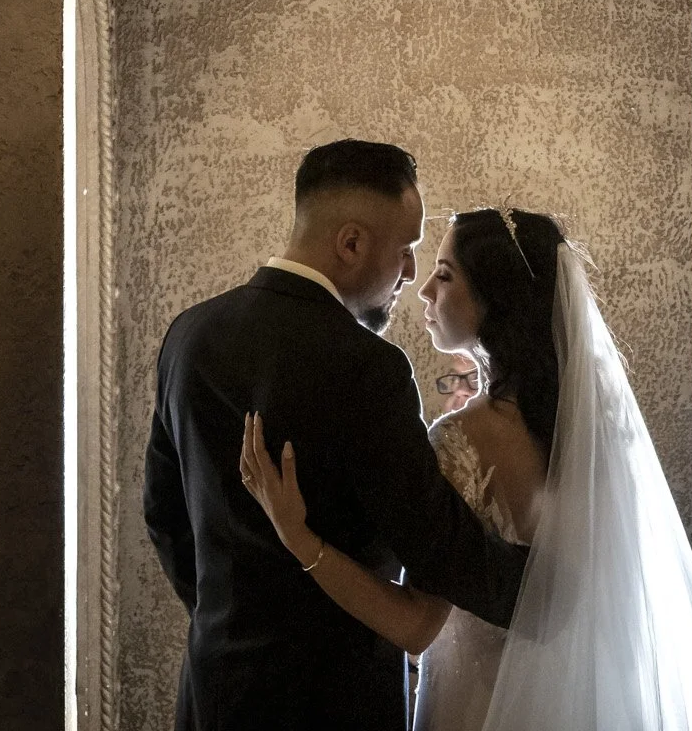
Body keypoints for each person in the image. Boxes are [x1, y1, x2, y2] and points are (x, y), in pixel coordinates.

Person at [242, 205, 692, 731]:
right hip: (587, 701)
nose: (423, 291)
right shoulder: (599, 430)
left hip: (480, 705)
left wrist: (300, 539)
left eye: (443, 276)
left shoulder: (462, 439)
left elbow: (417, 623)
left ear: (494, 298)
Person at [142, 141, 528, 731]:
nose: (408, 274)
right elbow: (438, 549)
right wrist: (560, 581)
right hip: (335, 704)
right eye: (405, 251)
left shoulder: (188, 337)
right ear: (350, 243)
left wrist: (228, 619)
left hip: (214, 695)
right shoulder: (367, 368)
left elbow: (164, 515)